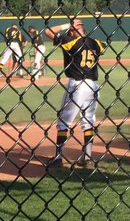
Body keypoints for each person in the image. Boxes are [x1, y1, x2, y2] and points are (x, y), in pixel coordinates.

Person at [43, 17, 105, 167]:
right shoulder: (95, 43)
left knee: (64, 121)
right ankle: (87, 156)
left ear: (72, 31)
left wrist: (67, 25)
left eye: (70, 31)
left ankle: (58, 158)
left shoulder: (71, 42)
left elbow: (48, 32)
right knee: (88, 121)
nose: (68, 34)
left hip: (77, 86)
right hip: (93, 86)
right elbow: (103, 46)